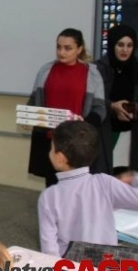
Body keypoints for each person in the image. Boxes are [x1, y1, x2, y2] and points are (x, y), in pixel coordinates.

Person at [38, 121, 138, 257]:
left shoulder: (48, 196)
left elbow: (49, 249)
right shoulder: (105, 183)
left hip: (70, 269)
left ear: (60, 158)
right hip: (105, 267)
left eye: (51, 148)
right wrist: (136, 178)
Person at [27, 28, 107, 187]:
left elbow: (100, 108)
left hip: (77, 144)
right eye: (58, 47)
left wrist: (84, 121)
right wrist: (28, 116)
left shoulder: (92, 74)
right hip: (51, 142)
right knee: (52, 187)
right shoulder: (46, 70)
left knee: (77, 189)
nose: (61, 52)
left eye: (68, 48)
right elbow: (34, 100)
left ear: (79, 49)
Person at [94, 25, 138, 171]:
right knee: (104, 176)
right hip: (105, 132)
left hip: (128, 132)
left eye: (129, 45)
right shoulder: (98, 68)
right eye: (120, 45)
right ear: (112, 44)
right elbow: (91, 99)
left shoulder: (134, 68)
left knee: (124, 177)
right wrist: (112, 106)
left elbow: (136, 96)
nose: (125, 50)